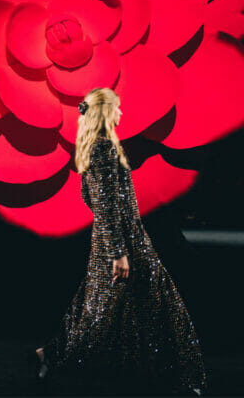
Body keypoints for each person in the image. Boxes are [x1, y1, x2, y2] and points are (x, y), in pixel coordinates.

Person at [30, 88, 206, 395]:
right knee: (134, 303)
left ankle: (57, 356)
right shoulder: (104, 149)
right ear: (104, 112)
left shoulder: (94, 148)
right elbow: (106, 202)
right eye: (116, 108)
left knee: (104, 304)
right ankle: (174, 376)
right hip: (123, 239)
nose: (120, 113)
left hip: (117, 236)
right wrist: (118, 250)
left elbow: (90, 197)